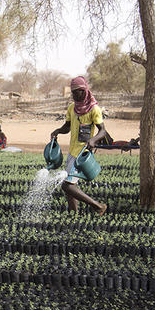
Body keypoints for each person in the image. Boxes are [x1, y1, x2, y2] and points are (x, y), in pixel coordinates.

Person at [50, 76, 107, 214]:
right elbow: (67, 127)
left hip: (82, 154)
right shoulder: (72, 108)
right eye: (73, 92)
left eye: (78, 92)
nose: (75, 95)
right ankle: (73, 214)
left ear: (85, 91)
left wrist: (93, 140)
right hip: (72, 152)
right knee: (71, 188)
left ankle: (98, 206)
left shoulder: (94, 109)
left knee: (67, 185)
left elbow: (103, 131)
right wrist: (58, 131)